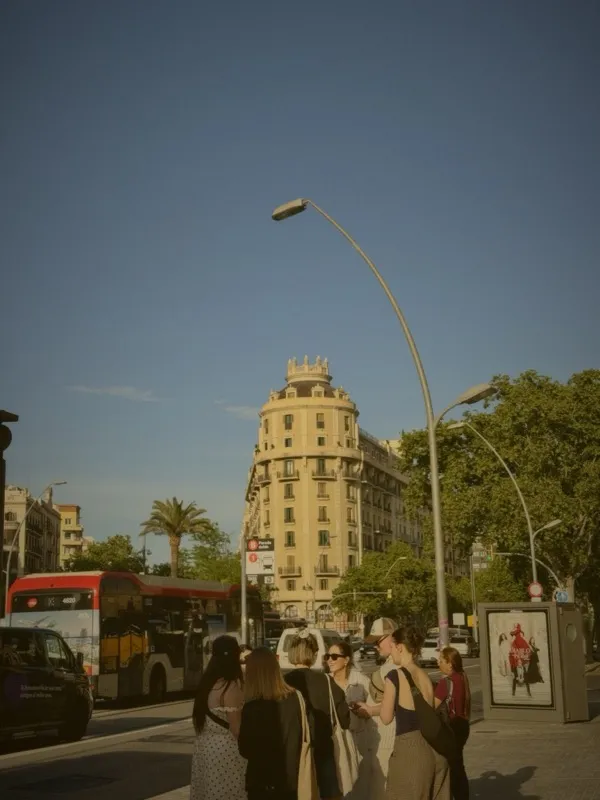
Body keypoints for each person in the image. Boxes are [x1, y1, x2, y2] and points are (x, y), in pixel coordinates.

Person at [380, 626, 450, 800]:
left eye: (392, 646)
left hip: (409, 749)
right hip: (433, 748)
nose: (391, 652)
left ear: (400, 647)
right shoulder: (425, 676)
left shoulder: (394, 676)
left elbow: (386, 717)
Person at [285, 629, 351, 800]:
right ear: (314, 654)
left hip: (293, 754)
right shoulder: (327, 681)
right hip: (323, 752)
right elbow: (344, 719)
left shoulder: (282, 682)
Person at [239, 647, 306, 800]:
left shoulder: (252, 708)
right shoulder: (295, 698)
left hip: (262, 782)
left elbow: (245, 749)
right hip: (292, 780)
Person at [190, 635, 246, 800]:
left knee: (208, 793)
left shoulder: (206, 684)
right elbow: (236, 730)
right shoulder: (230, 687)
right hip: (227, 753)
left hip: (204, 749)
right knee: (229, 793)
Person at [324, 641, 379, 800]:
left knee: (359, 792)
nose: (330, 660)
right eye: (327, 656)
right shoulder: (325, 681)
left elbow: (375, 710)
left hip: (360, 743)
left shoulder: (361, 681)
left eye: (334, 656)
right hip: (336, 744)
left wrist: (363, 711)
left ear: (346, 660)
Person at [354, 618, 398, 799]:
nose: (376, 647)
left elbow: (396, 705)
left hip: (388, 739)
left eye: (379, 641)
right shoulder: (393, 665)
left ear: (392, 638)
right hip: (383, 739)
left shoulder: (393, 668)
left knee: (382, 791)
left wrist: (370, 710)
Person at [435, 647, 471, 800]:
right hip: (463, 725)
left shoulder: (445, 682)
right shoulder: (462, 677)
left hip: (452, 728)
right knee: (458, 765)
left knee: (451, 767)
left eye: (442, 660)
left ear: (450, 664)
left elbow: (433, 706)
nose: (438, 663)